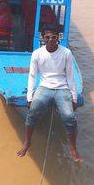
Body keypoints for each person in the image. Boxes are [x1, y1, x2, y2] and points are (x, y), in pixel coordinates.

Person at [16, 23, 82, 162]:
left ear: (58, 38)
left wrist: (74, 98)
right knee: (32, 112)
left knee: (69, 117)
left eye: (54, 37)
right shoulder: (37, 54)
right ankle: (27, 142)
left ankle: (73, 148)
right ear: (43, 38)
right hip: (44, 86)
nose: (51, 40)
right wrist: (29, 98)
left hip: (62, 88)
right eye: (47, 37)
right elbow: (32, 76)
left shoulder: (66, 53)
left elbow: (70, 76)